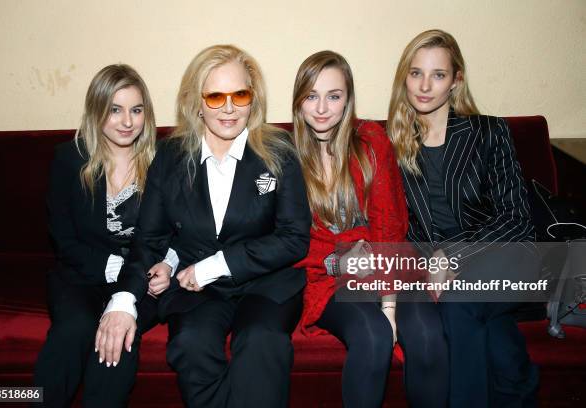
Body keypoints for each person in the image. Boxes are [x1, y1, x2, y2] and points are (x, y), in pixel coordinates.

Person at [95, 45, 311, 408]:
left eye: (239, 94)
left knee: (261, 341)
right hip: (197, 293)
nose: (229, 108)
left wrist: (215, 266)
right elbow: (148, 240)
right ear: (197, 102)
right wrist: (123, 300)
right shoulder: (171, 156)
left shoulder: (279, 149)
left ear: (252, 100)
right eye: (215, 96)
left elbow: (294, 238)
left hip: (266, 283)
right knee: (190, 344)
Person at [388, 29, 539, 407]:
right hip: (434, 268)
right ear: (404, 77)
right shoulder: (390, 143)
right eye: (415, 73)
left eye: (438, 75)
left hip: (501, 256)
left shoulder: (488, 132)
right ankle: (519, 389)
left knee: (458, 301)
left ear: (456, 81)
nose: (424, 86)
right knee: (500, 346)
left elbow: (517, 219)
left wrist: (453, 255)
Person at [33, 64, 179, 407]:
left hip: (143, 284)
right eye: (115, 109)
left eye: (136, 110)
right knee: (75, 330)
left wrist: (168, 265)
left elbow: (181, 232)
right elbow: (65, 241)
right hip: (81, 276)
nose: (127, 121)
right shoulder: (69, 159)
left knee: (119, 338)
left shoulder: (163, 162)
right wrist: (119, 269)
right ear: (97, 110)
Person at [292, 50, 408, 407]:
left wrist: (390, 308)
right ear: (298, 103)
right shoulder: (286, 158)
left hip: (381, 271)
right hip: (323, 281)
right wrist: (336, 264)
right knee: (372, 335)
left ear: (348, 100)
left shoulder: (371, 143)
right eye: (312, 96)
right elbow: (286, 242)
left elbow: (389, 227)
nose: (322, 108)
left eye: (334, 96)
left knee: (424, 334)